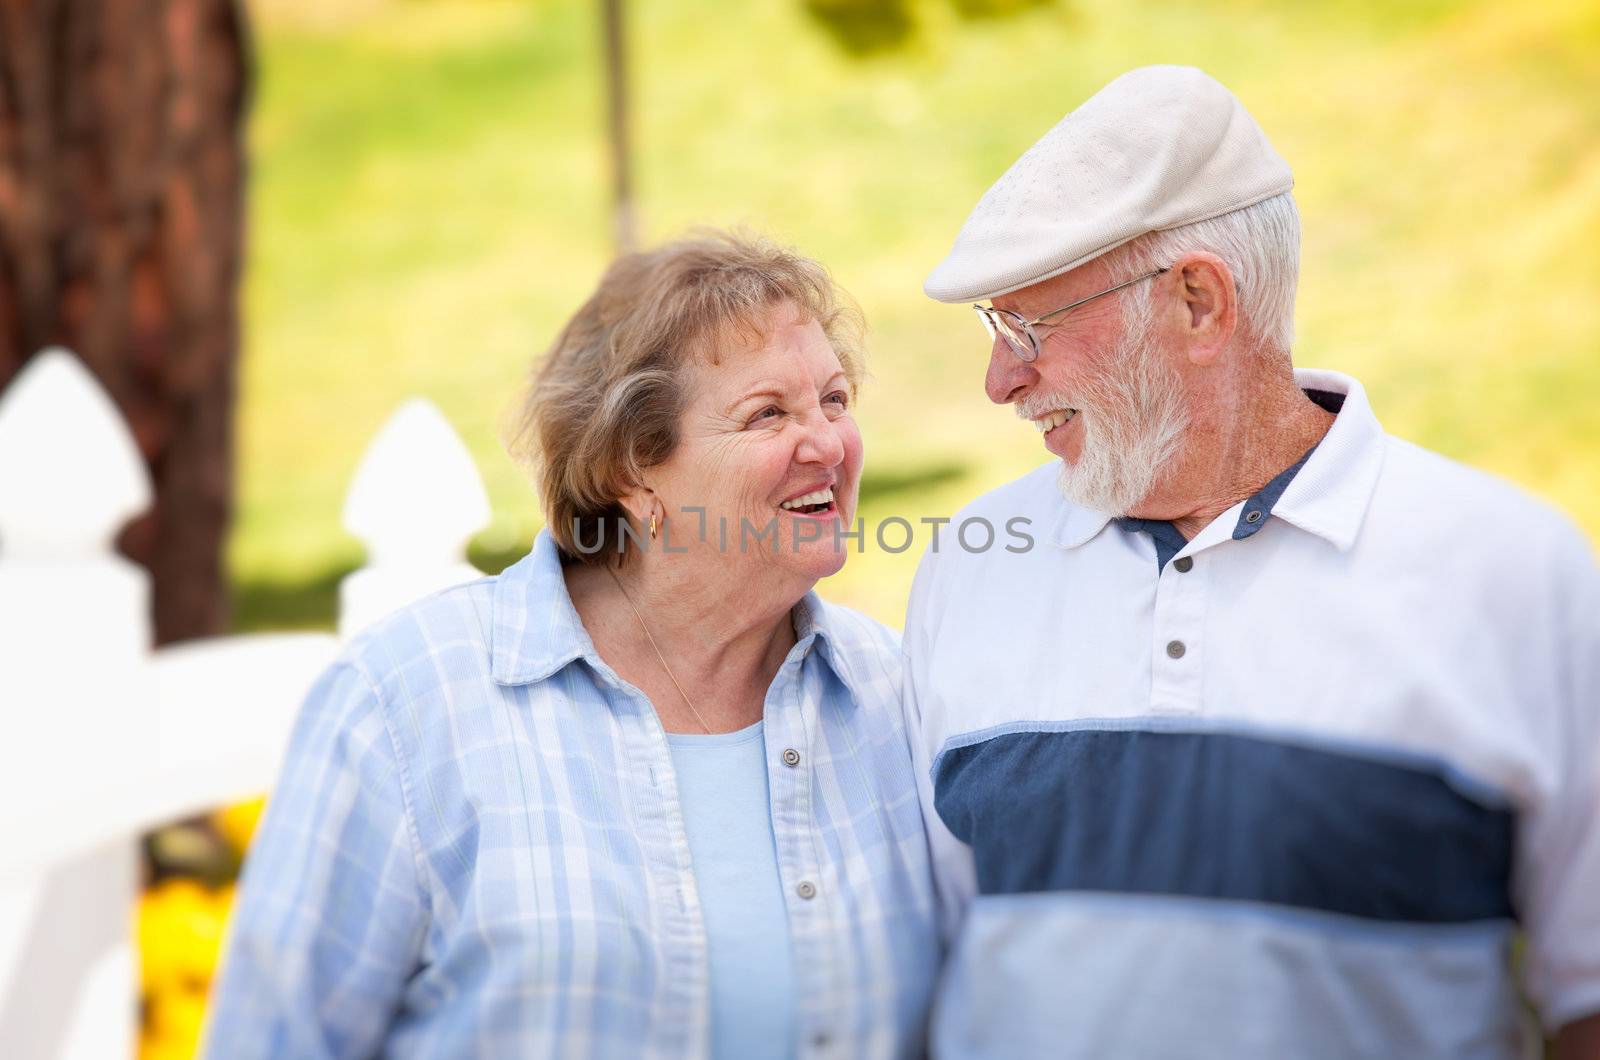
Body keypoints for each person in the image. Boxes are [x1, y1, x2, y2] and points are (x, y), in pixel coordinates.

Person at [904, 65, 1600, 1058]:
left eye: (1029, 326)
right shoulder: (970, 564)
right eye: (990, 328)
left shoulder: (1515, 572)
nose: (998, 380)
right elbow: (925, 960)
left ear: (1198, 302)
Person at [203, 232, 939, 1058]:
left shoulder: (897, 695)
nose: (829, 445)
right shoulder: (406, 701)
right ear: (634, 469)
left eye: (835, 402)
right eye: (768, 413)